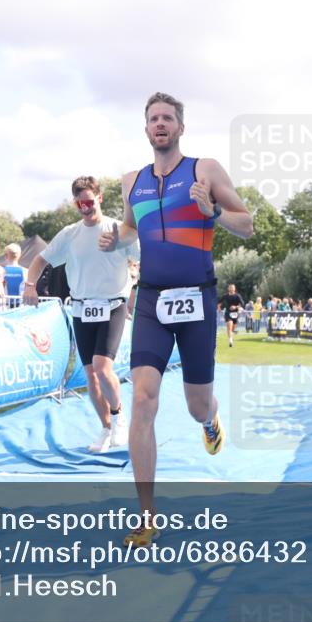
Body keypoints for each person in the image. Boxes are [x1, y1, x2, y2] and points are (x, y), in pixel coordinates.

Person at [98, 92, 253, 547]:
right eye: (153, 118)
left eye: (168, 118)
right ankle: (147, 516)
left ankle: (210, 421)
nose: (160, 124)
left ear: (180, 127)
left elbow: (247, 223)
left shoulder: (204, 170)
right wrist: (117, 240)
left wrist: (214, 212)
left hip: (197, 299)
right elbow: (131, 227)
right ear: (145, 129)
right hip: (150, 300)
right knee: (143, 401)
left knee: (196, 406)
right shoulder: (131, 181)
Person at [27, 175, 140, 453]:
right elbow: (41, 259)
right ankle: (105, 428)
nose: (85, 207)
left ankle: (119, 416)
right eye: (80, 204)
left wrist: (137, 290)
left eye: (89, 201)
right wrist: (30, 284)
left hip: (112, 305)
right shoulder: (70, 234)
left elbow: (143, 259)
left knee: (103, 368)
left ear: (99, 198)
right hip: (81, 308)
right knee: (90, 376)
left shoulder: (118, 228)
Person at [218, 283, 245, 347]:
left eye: (233, 288)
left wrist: (235, 307)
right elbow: (219, 303)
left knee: (232, 329)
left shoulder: (237, 296)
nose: (231, 289)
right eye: (230, 288)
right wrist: (219, 308)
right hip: (228, 313)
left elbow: (242, 304)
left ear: (234, 289)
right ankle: (230, 341)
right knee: (229, 326)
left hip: (235, 313)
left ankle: (231, 336)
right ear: (228, 289)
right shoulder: (225, 296)